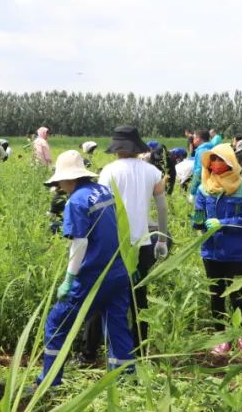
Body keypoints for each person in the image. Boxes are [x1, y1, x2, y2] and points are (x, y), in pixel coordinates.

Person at [39, 151, 134, 386]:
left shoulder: (76, 201)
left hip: (91, 277)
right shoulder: (103, 191)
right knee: (117, 328)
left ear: (68, 179)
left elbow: (79, 243)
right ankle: (123, 381)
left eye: (60, 181)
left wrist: (69, 279)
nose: (59, 185)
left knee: (56, 324)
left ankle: (49, 382)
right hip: (118, 272)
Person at [81, 127, 169, 361]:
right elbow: (161, 207)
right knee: (138, 297)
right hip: (143, 244)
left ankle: (90, 352)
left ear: (117, 148)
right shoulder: (152, 172)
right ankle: (139, 350)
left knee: (100, 295)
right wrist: (162, 238)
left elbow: (100, 208)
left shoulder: (109, 171)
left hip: (114, 245)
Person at [192, 143, 242, 359]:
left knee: (238, 295)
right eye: (213, 160)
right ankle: (222, 339)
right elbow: (199, 215)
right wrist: (198, 222)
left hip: (237, 251)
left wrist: (224, 222)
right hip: (212, 251)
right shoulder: (204, 188)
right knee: (216, 295)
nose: (216, 164)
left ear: (230, 163)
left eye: (220, 160)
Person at [188, 129, 223, 196]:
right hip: (213, 184)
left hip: (203, 187)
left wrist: (193, 189)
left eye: (194, 138)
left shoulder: (202, 151)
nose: (193, 140)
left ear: (198, 138)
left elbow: (199, 171)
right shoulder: (211, 148)